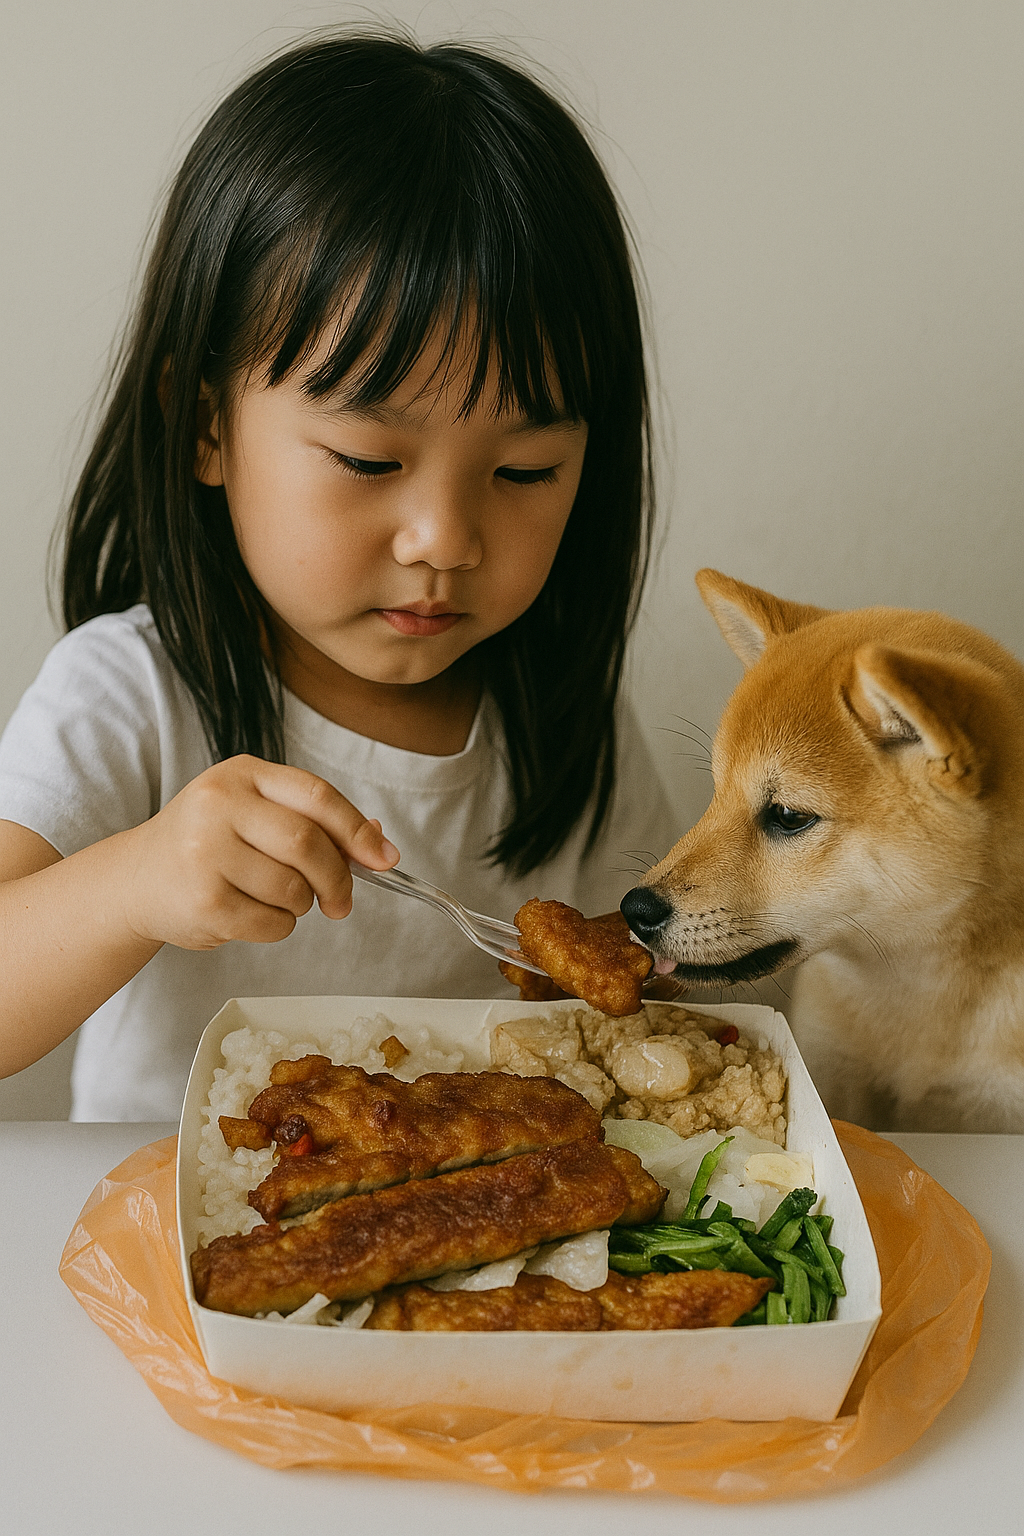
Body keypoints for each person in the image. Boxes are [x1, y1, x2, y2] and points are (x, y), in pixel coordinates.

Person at [0, 34, 677, 1120]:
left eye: (523, 470)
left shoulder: (564, 725)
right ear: (207, 426)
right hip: (166, 1255)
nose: (443, 539)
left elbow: (642, 999)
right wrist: (135, 883)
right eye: (370, 460)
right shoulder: (132, 695)